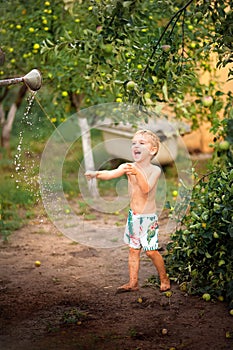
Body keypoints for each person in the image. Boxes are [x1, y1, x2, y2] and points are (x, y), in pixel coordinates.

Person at [85, 129, 170, 292]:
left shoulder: (155, 171)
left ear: (152, 150)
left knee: (151, 252)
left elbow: (145, 189)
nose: (136, 145)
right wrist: (96, 174)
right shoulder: (127, 166)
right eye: (133, 143)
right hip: (134, 218)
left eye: (141, 143)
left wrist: (137, 173)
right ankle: (133, 283)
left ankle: (164, 278)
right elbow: (110, 174)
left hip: (148, 219)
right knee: (133, 250)